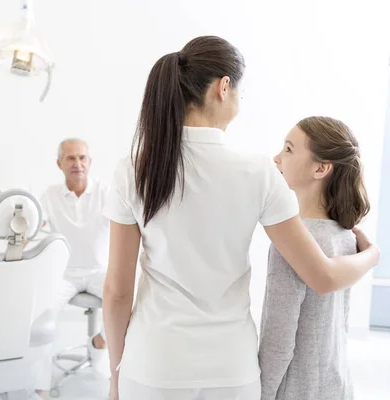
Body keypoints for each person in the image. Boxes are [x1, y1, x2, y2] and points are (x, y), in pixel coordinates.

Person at [100, 35, 379, 400]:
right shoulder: (258, 172)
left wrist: (116, 377)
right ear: (223, 87)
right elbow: (323, 277)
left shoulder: (134, 171)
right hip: (230, 371)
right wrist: (372, 255)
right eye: (240, 92)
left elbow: (118, 292)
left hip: (152, 365)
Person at [258, 116, 369, 400]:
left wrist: (262, 394)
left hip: (298, 391)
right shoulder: (346, 236)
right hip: (337, 386)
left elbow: (278, 342)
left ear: (321, 168)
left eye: (289, 149)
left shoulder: (295, 243)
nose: (277, 158)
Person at [34, 138, 111, 400]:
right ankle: (41, 387)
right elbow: (35, 223)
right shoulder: (50, 195)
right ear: (59, 164)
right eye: (70, 158)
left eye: (81, 158)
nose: (77, 164)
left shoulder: (105, 192)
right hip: (63, 274)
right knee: (40, 319)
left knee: (133, 304)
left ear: (90, 162)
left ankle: (99, 342)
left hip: (99, 270)